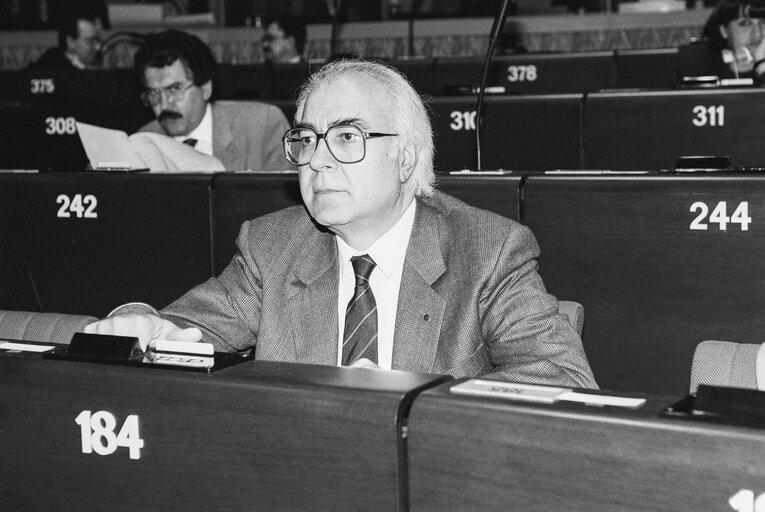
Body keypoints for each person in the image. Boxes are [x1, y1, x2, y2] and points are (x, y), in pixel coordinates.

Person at [85, 59, 597, 388]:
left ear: (404, 158)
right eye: (306, 138)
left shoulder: (488, 249)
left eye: (347, 138)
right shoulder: (272, 245)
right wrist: (141, 319)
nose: (318, 161)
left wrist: (409, 396)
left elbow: (565, 380)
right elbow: (189, 329)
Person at [134, 29, 292, 172]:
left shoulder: (263, 125)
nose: (163, 104)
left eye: (174, 89)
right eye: (153, 92)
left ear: (205, 88)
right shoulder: (144, 140)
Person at [678, 0, 765, 82]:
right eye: (745, 24)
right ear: (724, 31)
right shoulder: (697, 62)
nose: (758, 33)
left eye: (763, 22)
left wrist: (762, 65)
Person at [27, 5, 104, 69]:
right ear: (71, 42)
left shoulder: (97, 70)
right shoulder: (50, 69)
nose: (97, 47)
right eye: (90, 41)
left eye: (97, 41)